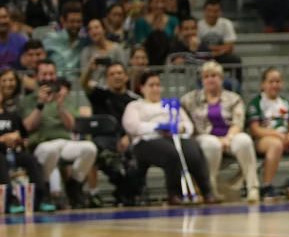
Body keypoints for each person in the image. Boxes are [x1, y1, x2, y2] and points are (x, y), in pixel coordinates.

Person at [122, 71, 215, 205]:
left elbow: (188, 125)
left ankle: (207, 191)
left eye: (158, 85)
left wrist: (179, 128)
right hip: (147, 141)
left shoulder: (170, 104)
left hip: (174, 137)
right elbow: (132, 126)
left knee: (193, 150)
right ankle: (174, 194)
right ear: (142, 88)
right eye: (151, 85)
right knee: (171, 154)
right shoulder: (135, 106)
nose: (155, 89)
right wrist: (157, 127)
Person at [21, 59, 97, 208]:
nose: (48, 78)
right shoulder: (29, 100)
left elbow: (72, 126)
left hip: (64, 142)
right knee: (51, 150)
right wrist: (40, 104)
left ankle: (74, 185)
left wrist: (60, 105)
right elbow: (27, 127)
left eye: (51, 74)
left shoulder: (64, 98)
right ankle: (45, 188)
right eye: (44, 74)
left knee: (90, 148)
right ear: (36, 76)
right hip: (40, 144)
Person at [181, 61, 259, 202]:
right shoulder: (190, 99)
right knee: (212, 144)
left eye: (214, 75)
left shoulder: (234, 98)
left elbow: (238, 122)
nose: (210, 79)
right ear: (202, 80)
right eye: (206, 76)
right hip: (203, 137)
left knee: (244, 140)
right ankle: (210, 189)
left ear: (221, 78)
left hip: (229, 136)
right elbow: (179, 115)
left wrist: (228, 138)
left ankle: (252, 188)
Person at [247, 67, 289, 200]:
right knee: (276, 144)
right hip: (264, 139)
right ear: (263, 84)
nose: (275, 85)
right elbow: (255, 130)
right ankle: (266, 186)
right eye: (271, 81)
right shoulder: (256, 103)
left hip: (285, 137)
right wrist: (276, 134)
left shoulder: (285, 103)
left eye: (278, 81)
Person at [84, 60, 142, 205]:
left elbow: (139, 125)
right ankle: (94, 194)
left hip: (127, 140)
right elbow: (84, 84)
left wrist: (128, 137)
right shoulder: (100, 95)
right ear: (107, 78)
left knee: (139, 153)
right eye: (112, 74)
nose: (116, 76)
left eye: (119, 73)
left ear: (126, 76)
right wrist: (89, 70)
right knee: (93, 149)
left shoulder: (134, 100)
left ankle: (128, 193)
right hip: (103, 141)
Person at [0, 68, 48, 213]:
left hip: (13, 151)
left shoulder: (12, 115)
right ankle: (10, 199)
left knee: (31, 160)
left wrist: (17, 138)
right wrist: (3, 139)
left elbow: (23, 136)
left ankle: (41, 198)